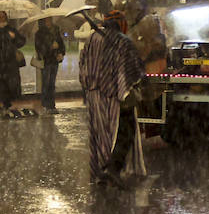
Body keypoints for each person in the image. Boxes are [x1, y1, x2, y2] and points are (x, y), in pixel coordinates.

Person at [79, 11, 147, 185]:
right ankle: (113, 168)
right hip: (116, 95)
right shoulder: (123, 41)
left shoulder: (92, 39)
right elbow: (135, 69)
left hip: (94, 93)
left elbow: (83, 64)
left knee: (101, 134)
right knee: (123, 131)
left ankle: (102, 169)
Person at [34, 16, 67, 114]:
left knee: (52, 84)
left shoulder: (56, 31)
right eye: (46, 20)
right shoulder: (39, 33)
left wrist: (61, 52)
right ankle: (45, 104)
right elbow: (39, 47)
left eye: (49, 19)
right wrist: (50, 47)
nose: (48, 22)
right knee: (46, 83)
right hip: (46, 61)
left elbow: (61, 44)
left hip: (54, 60)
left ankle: (51, 104)